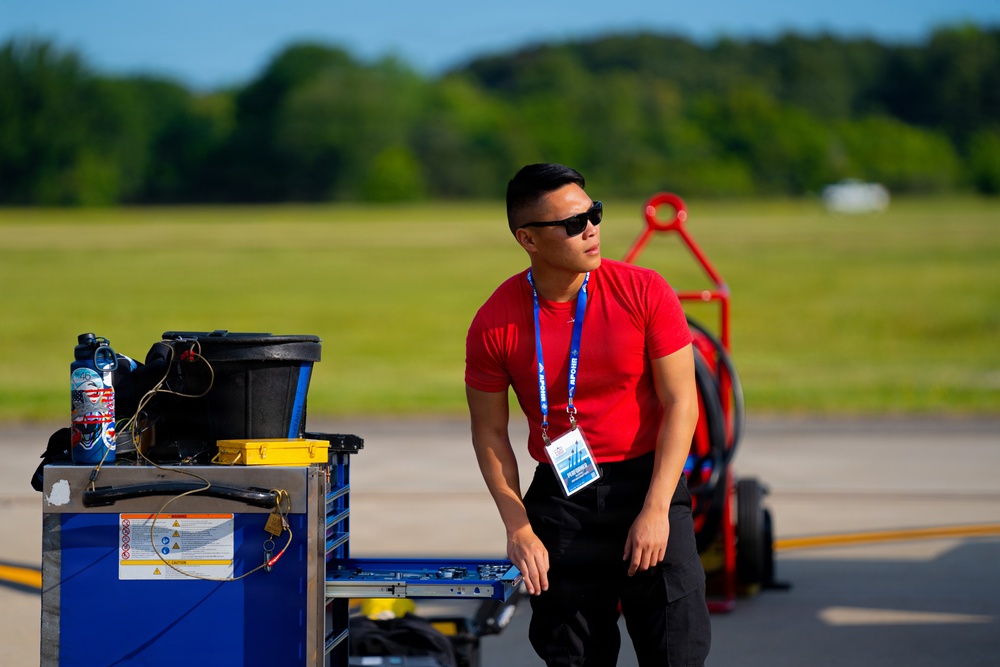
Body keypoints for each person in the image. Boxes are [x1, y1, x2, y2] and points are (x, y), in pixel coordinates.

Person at [465, 163, 711, 666]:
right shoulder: (494, 322)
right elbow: (489, 432)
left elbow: (681, 402)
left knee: (677, 651)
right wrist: (518, 528)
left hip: (649, 485)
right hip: (563, 496)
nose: (592, 229)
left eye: (593, 213)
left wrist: (656, 511)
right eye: (573, 223)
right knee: (573, 655)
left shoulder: (644, 290)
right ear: (528, 239)